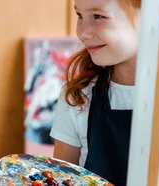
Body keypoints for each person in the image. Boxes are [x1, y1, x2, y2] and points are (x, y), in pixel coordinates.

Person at [49, 0, 140, 185]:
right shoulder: (77, 97)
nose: (82, 32)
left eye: (98, 16)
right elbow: (60, 180)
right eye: (79, 16)